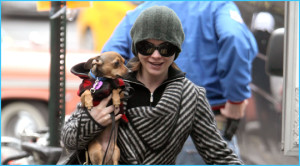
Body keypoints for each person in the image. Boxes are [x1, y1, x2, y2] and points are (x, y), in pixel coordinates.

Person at [60, 6, 243, 165]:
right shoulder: (110, 86)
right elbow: (68, 139)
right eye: (146, 47)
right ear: (135, 48)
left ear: (176, 51)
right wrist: (92, 121)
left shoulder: (191, 96)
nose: (156, 55)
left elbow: (219, 155)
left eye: (166, 49)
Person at [101, 1, 258, 164]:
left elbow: (107, 61)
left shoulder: (139, 13)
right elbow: (234, 38)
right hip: (204, 129)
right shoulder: (218, 6)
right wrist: (236, 98)